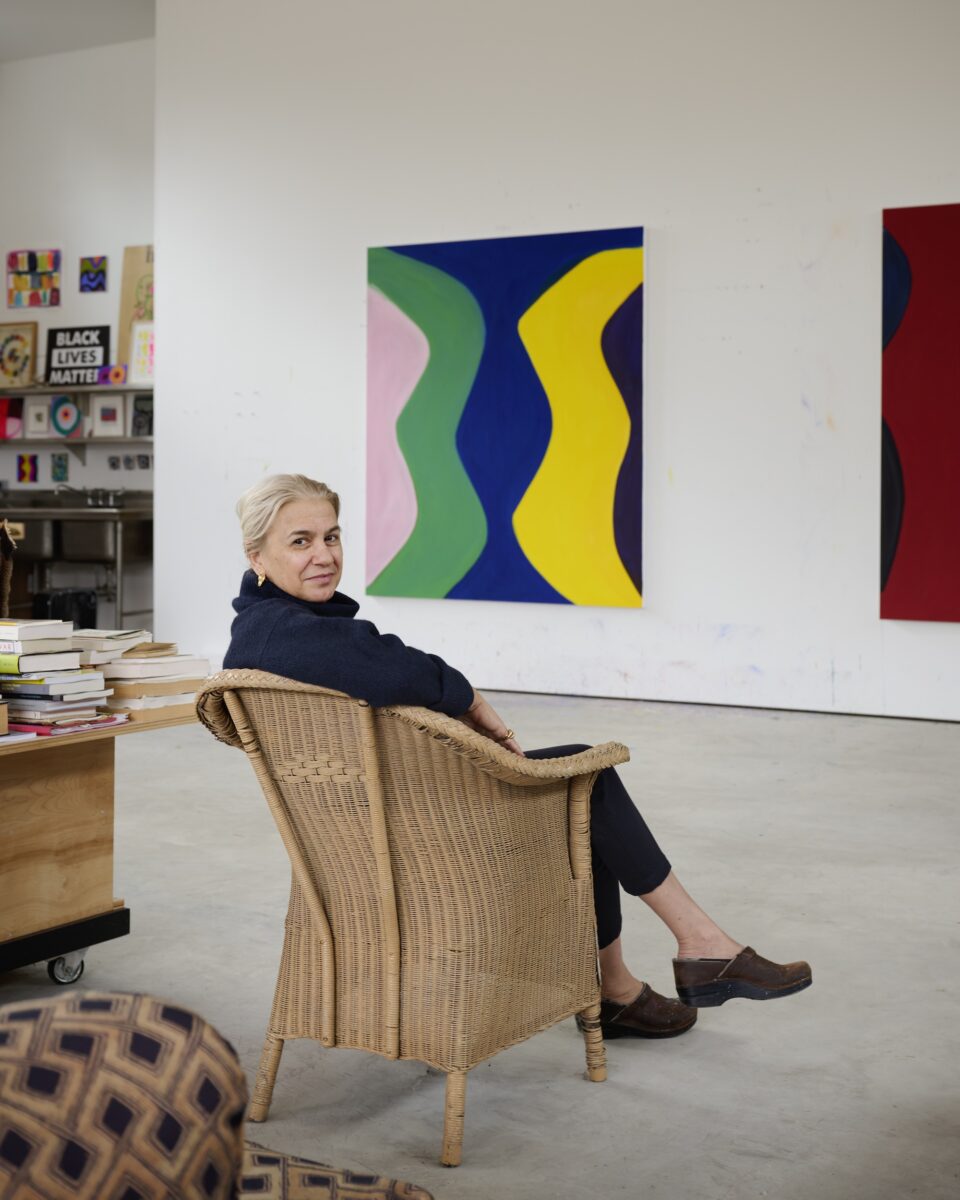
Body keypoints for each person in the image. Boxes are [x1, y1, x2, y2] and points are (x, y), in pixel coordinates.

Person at [224, 474, 811, 1039]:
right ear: (257, 556)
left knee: (581, 780)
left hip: (372, 824)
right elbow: (392, 666)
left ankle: (626, 986)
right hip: (408, 839)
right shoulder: (279, 632)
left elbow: (375, 660)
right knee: (587, 781)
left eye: (331, 536)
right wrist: (469, 698)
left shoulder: (285, 628)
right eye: (300, 541)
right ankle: (690, 952)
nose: (324, 555)